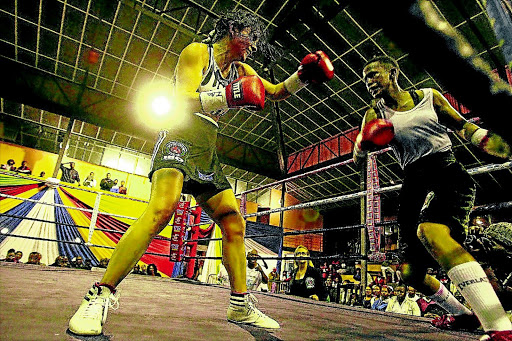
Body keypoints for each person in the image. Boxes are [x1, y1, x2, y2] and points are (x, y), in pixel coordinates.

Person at [68, 8, 333, 336]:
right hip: (179, 135)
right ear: (233, 30)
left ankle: (239, 304)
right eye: (249, 36)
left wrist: (304, 76)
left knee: (233, 221)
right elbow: (182, 98)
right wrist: (229, 94)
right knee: (161, 211)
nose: (253, 44)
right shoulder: (198, 52)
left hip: (207, 148)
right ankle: (99, 295)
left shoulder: (242, 70)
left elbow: (274, 91)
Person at [354, 55, 512, 339]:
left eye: (374, 74)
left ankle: (499, 326)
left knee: (432, 231)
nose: (369, 82)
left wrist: (486, 140)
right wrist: (364, 143)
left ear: (393, 73)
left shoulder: (429, 97)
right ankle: (465, 315)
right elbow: (357, 154)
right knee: (410, 274)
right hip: (413, 183)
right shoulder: (373, 114)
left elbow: (463, 126)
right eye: (365, 78)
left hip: (447, 173)